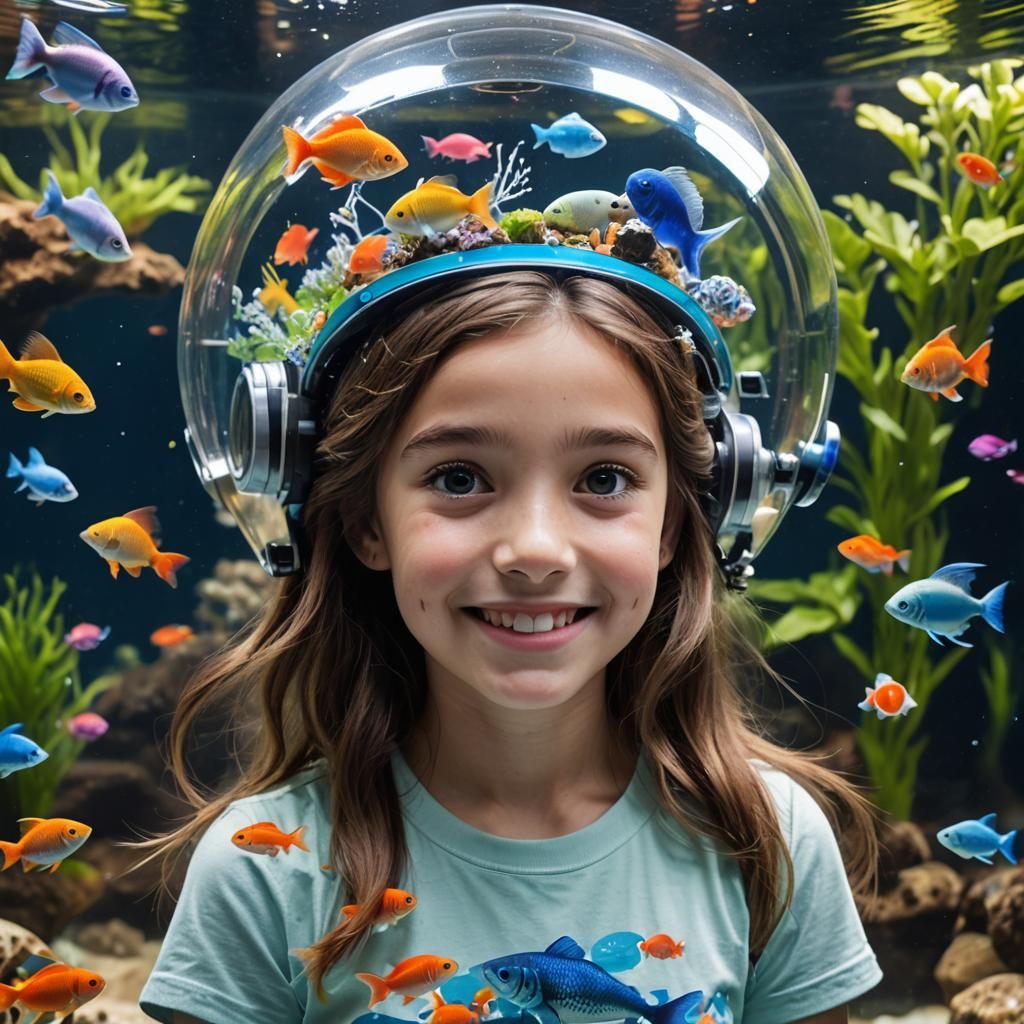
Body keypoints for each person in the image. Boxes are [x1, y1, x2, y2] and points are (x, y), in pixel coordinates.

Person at [133, 267, 882, 1024]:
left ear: (680, 522)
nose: (535, 548)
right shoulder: (262, 871)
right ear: (365, 521)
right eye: (459, 478)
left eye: (605, 476)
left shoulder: (769, 840)